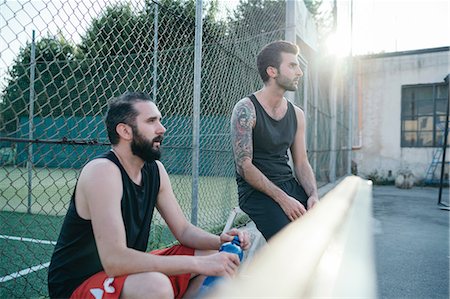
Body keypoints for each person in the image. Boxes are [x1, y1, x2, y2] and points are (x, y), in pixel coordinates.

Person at [48, 91, 250, 299]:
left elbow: (183, 230)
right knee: (156, 286)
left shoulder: (155, 170)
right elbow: (115, 261)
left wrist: (219, 241)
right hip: (78, 285)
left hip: (122, 274)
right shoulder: (102, 172)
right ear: (125, 131)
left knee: (212, 254)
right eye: (151, 121)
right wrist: (199, 264)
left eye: (159, 120)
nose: (162, 129)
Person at [230, 40, 319, 241]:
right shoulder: (246, 109)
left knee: (320, 236)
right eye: (292, 65)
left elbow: (301, 162)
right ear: (272, 71)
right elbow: (244, 166)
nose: (300, 72)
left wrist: (313, 194)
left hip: (288, 185)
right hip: (256, 192)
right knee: (290, 243)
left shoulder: (297, 115)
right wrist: (283, 200)